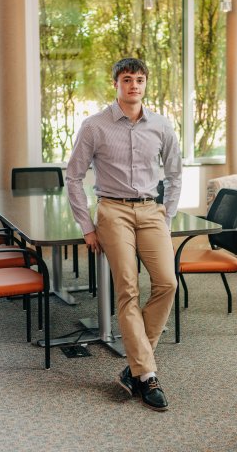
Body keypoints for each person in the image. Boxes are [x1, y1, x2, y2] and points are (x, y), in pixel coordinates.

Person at [66, 57, 182, 412]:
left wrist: (167, 218)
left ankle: (133, 365)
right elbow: (73, 176)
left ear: (146, 84)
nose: (134, 85)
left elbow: (175, 175)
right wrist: (87, 226)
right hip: (112, 210)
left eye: (140, 79)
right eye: (127, 79)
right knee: (128, 288)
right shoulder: (94, 126)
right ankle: (146, 375)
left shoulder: (161, 126)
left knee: (167, 283)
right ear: (115, 84)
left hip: (151, 211)